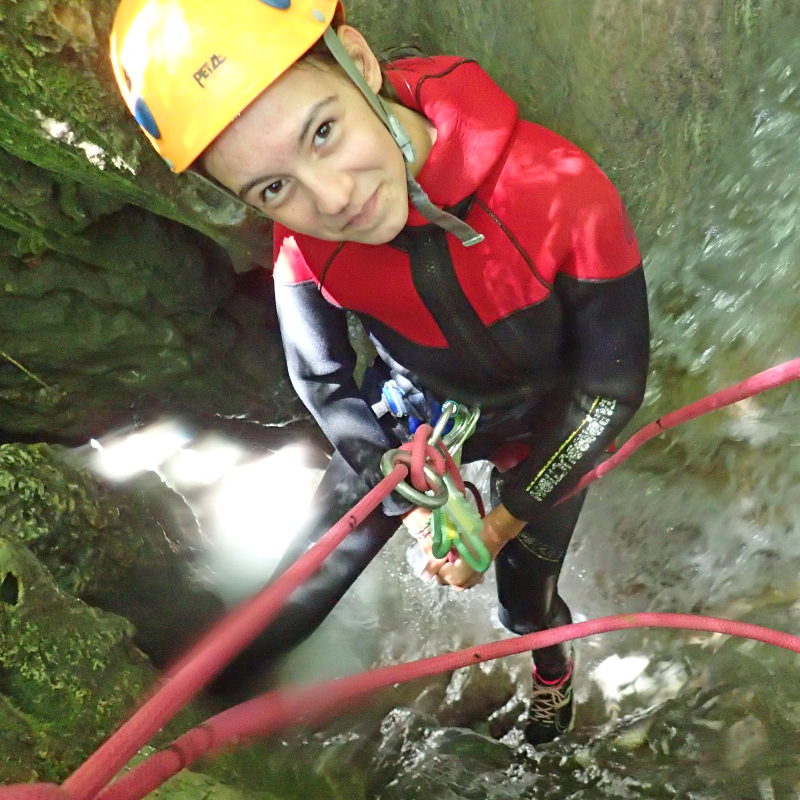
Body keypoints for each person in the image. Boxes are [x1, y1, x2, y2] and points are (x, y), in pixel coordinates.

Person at [110, 0, 649, 745]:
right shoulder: (304, 246)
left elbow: (608, 389)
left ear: (361, 65)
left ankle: (551, 687)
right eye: (272, 188)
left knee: (525, 608)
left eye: (322, 131)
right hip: (413, 418)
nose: (332, 199)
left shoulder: (555, 188)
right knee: (293, 596)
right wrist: (381, 458)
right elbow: (325, 379)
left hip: (547, 423)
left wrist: (499, 522)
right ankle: (173, 729)